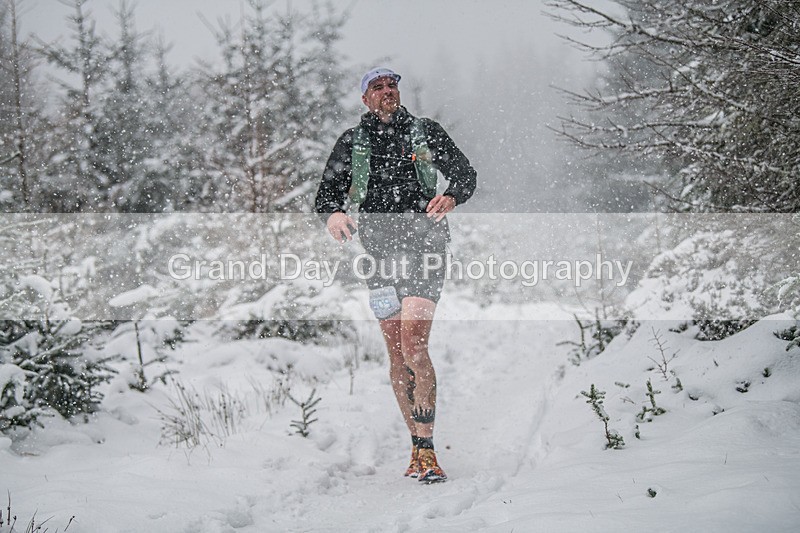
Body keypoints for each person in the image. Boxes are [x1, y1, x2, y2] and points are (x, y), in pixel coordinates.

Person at [315, 67, 477, 483]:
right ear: (365, 98)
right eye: (378, 87)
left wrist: (452, 196)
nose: (388, 91)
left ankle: (428, 447)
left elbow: (464, 173)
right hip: (378, 256)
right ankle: (415, 449)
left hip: (426, 248)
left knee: (415, 345)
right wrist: (333, 216)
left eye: (392, 85)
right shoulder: (352, 142)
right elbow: (327, 196)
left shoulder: (425, 132)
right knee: (395, 352)